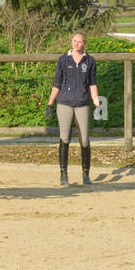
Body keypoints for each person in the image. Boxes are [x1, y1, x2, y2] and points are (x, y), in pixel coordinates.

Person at [45, 32, 99, 185]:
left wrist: (97, 104)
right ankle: (63, 174)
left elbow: (92, 84)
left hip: (82, 102)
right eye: (74, 41)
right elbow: (57, 83)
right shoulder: (63, 60)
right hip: (64, 102)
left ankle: (86, 175)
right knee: (65, 138)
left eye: (79, 42)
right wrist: (50, 103)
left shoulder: (90, 61)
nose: (76, 44)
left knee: (85, 140)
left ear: (84, 43)